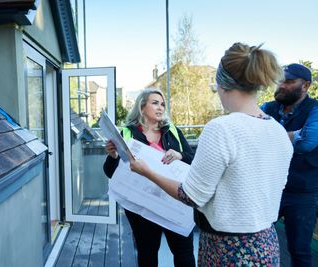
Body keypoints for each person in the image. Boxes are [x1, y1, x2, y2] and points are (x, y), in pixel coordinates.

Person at [129, 42, 294, 266]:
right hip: (266, 245)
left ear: (221, 84)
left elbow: (191, 196)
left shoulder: (221, 128)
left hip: (227, 249)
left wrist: (147, 172)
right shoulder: (278, 131)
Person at [103, 88, 196, 267]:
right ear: (142, 107)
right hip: (143, 204)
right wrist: (113, 156)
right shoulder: (127, 133)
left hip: (173, 201)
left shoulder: (173, 131)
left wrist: (180, 155)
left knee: (183, 252)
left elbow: (192, 160)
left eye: (162, 104)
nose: (160, 107)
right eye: (155, 103)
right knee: (147, 253)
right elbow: (110, 172)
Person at [261, 63, 318, 267]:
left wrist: (271, 135)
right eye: (280, 80)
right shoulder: (268, 107)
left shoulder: (315, 109)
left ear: (306, 86)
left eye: (289, 81)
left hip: (302, 193)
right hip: (270, 187)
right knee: (256, 240)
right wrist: (292, 134)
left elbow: (308, 142)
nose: (281, 85)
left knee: (300, 251)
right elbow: (251, 135)